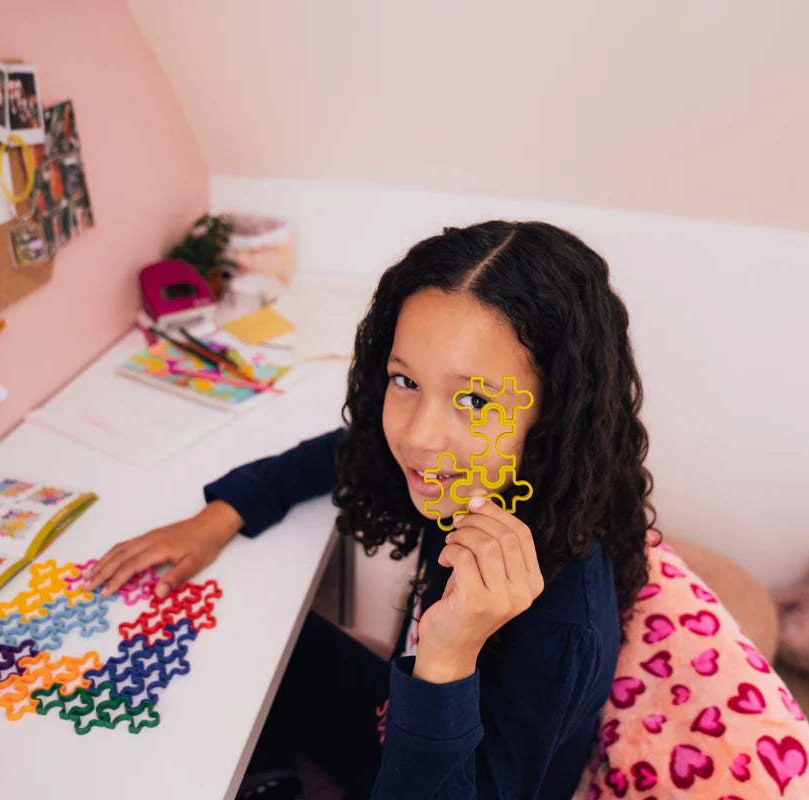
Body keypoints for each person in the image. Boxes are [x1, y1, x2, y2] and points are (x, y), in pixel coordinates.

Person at [83, 221, 656, 800]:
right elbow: (348, 452)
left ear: (555, 417)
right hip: (392, 718)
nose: (419, 436)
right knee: (263, 636)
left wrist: (449, 655)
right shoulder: (473, 481)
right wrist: (217, 518)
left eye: (473, 399)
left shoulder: (561, 631)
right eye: (405, 380)